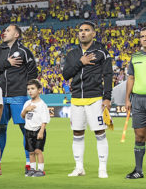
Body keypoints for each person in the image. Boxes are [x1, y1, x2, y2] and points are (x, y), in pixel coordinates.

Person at [62, 21, 112, 178]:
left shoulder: (102, 52)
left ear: (94, 33)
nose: (82, 33)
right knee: (77, 133)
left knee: (99, 132)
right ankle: (79, 168)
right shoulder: (72, 54)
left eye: (86, 30)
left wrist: (107, 97)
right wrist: (80, 62)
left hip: (95, 98)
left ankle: (102, 168)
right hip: (76, 99)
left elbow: (108, 75)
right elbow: (66, 75)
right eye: (80, 30)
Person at [0, 24, 38, 173]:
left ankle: (29, 163)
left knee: (26, 129)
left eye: (8, 30)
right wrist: (7, 63)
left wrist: (27, 90)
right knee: (0, 129)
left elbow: (33, 73)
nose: (4, 32)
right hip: (1, 97)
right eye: (4, 30)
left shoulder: (24, 52)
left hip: (19, 95)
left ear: (17, 34)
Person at [125, 28, 146, 179]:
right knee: (139, 135)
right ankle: (138, 170)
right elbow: (131, 78)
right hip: (138, 100)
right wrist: (127, 98)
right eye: (142, 36)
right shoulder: (135, 57)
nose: (144, 38)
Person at [21, 79, 50, 177]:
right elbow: (22, 116)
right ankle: (32, 169)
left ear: (39, 90)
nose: (30, 91)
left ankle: (41, 170)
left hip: (38, 130)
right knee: (31, 151)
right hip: (28, 130)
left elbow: (45, 120)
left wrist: (41, 131)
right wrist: (26, 110)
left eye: (33, 88)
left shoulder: (42, 105)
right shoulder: (27, 103)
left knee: (38, 150)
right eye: (28, 89)